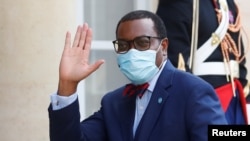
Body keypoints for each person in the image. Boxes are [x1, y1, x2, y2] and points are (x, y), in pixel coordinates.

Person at [48, 10, 227, 141]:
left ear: (163, 47)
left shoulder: (193, 91)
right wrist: (67, 86)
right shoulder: (113, 103)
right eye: (124, 45)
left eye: (142, 43)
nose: (132, 52)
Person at [156, 0, 250, 124]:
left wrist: (246, 100)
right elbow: (173, 64)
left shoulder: (226, 3)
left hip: (235, 103)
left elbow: (238, 59)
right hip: (204, 103)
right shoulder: (178, 3)